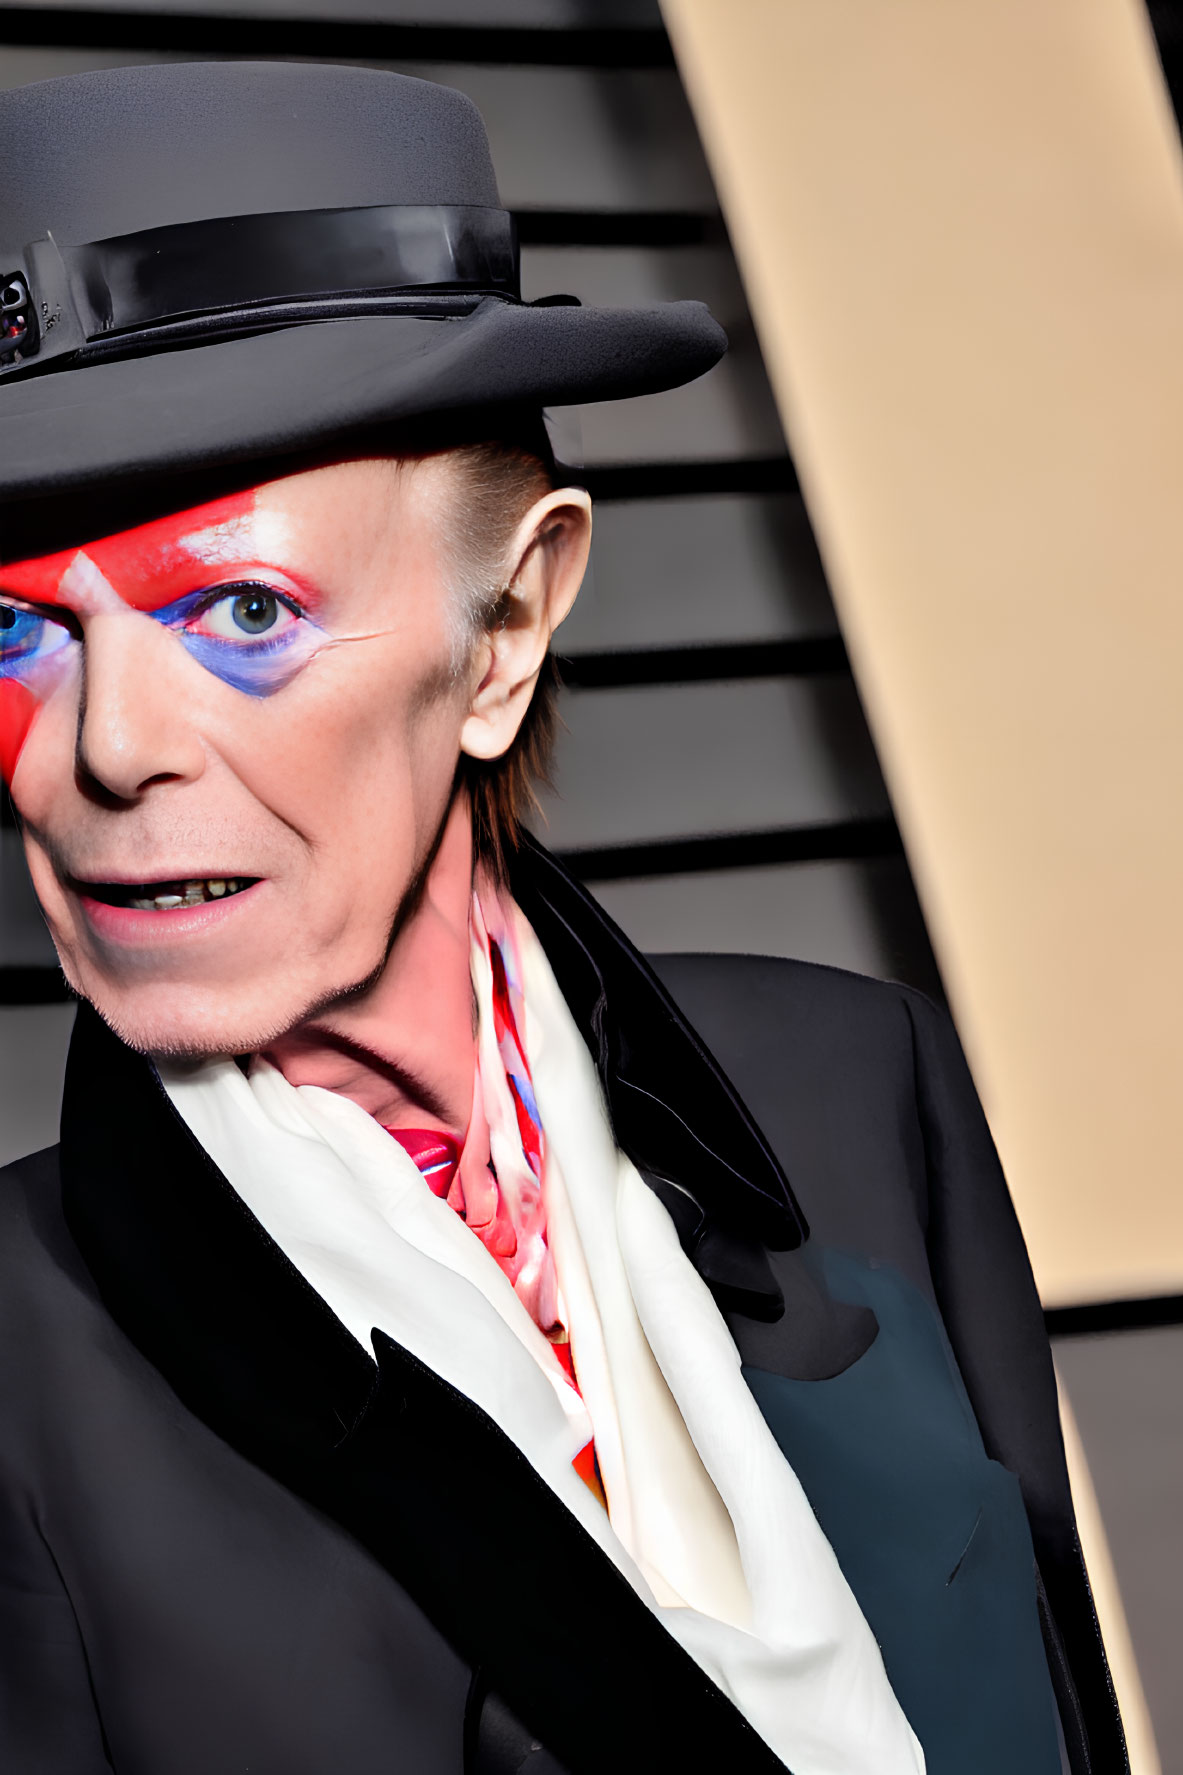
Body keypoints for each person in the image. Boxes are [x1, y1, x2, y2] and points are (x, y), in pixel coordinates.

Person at [0, 59, 1124, 1775]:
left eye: (240, 607)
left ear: (507, 626)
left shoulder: (849, 1078)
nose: (106, 750)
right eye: (19, 632)